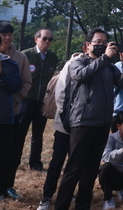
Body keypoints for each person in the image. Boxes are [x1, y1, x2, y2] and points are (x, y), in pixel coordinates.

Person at [54, 29, 123, 210]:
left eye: (105, 42)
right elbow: (81, 75)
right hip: (82, 122)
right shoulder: (78, 62)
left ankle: (83, 206)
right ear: (87, 45)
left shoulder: (108, 66)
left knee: (90, 171)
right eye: (98, 42)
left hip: (102, 123)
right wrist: (105, 58)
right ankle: (61, 206)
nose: (102, 45)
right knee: (74, 169)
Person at [37, 49, 87, 210]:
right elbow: (61, 93)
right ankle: (47, 197)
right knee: (57, 162)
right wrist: (66, 119)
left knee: (76, 163)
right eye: (97, 43)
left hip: (84, 125)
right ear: (87, 46)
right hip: (65, 124)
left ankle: (68, 193)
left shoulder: (99, 64)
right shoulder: (73, 63)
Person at [0, 23, 31, 200]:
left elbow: (25, 83)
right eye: (3, 35)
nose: (7, 38)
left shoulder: (19, 58)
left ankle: (7, 186)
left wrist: (15, 100)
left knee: (11, 153)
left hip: (11, 113)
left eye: (10, 34)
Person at [0, 30, 22, 202]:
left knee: (5, 158)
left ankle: (0, 189)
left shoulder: (10, 65)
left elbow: (15, 87)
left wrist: (1, 74)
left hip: (4, 120)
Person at [19, 29, 59, 172]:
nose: (47, 41)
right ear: (36, 39)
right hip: (26, 100)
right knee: (20, 132)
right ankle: (14, 161)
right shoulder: (26, 55)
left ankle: (35, 163)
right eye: (44, 38)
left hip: (42, 102)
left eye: (50, 39)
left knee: (38, 134)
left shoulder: (53, 58)